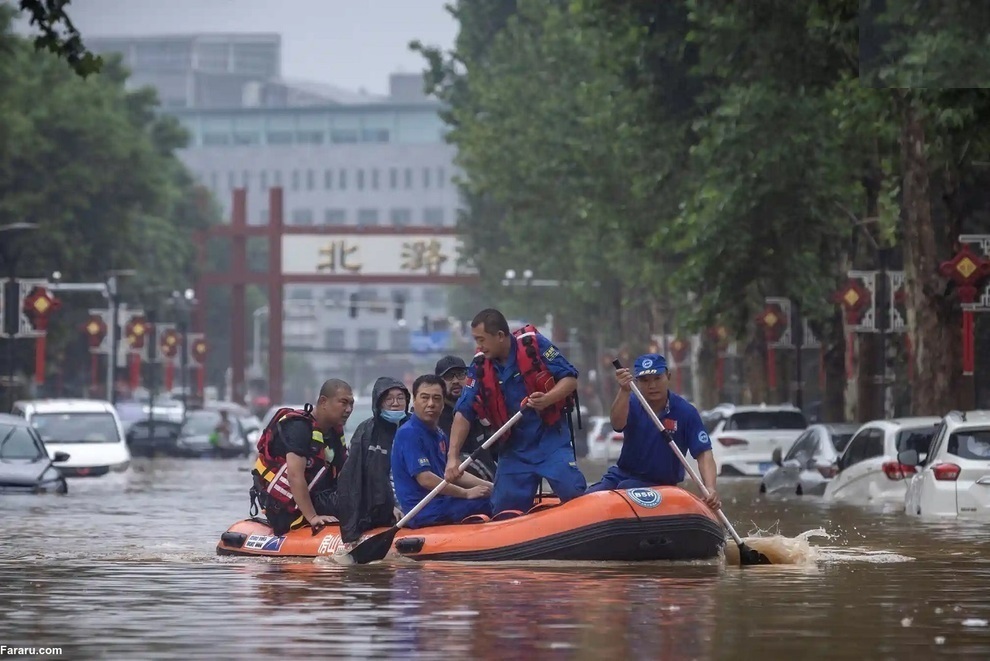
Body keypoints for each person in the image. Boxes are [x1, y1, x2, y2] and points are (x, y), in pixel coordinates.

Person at [445, 309, 586, 517]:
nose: (479, 346)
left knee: (572, 490)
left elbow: (570, 379)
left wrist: (547, 399)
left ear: (500, 336)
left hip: (550, 441)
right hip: (514, 450)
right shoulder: (479, 365)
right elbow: (463, 411)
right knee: (504, 510)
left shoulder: (534, 345)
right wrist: (452, 457)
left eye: (482, 339)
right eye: (476, 340)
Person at [587, 353, 721, 511]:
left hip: (660, 486)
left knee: (627, 488)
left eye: (657, 378)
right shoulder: (629, 402)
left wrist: (710, 488)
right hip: (622, 474)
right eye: (645, 380)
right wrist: (624, 391)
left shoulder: (686, 412)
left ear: (668, 376)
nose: (652, 386)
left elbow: (704, 454)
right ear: (636, 382)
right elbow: (617, 424)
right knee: (588, 499)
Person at [251, 379, 353, 535]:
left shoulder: (334, 433)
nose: (348, 409)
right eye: (343, 403)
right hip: (286, 509)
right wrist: (313, 517)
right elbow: (294, 476)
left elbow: (345, 474)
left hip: (319, 497)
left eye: (351, 404)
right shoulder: (299, 428)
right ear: (323, 402)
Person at [391, 374, 493, 528]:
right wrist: (466, 493)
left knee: (495, 495)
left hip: (443, 502)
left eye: (437, 398)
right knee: (489, 503)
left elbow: (454, 473)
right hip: (423, 510)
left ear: (443, 404)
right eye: (425, 398)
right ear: (414, 400)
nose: (431, 404)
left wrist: (492, 486)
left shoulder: (439, 434)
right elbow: (425, 479)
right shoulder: (409, 433)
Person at [336, 377, 410, 544]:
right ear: (378, 403)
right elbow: (355, 478)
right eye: (388, 399)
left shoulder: (415, 427)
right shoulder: (366, 432)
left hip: (412, 500)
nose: (395, 403)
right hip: (379, 507)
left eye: (400, 398)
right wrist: (386, 506)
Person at [435, 355, 497, 480]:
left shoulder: (480, 408)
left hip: (493, 484)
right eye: (448, 377)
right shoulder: (435, 417)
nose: (456, 381)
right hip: (463, 486)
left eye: (460, 374)